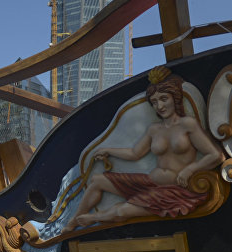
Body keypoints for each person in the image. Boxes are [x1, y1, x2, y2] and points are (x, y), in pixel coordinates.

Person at [67, 66, 223, 231]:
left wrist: (190, 169)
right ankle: (73, 222)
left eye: (164, 99)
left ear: (175, 99)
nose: (159, 106)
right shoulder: (154, 129)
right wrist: (109, 151)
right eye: (154, 102)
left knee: (122, 210)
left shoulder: (187, 125)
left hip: (174, 191)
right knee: (98, 180)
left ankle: (94, 218)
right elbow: (135, 153)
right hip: (150, 183)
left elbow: (216, 155)